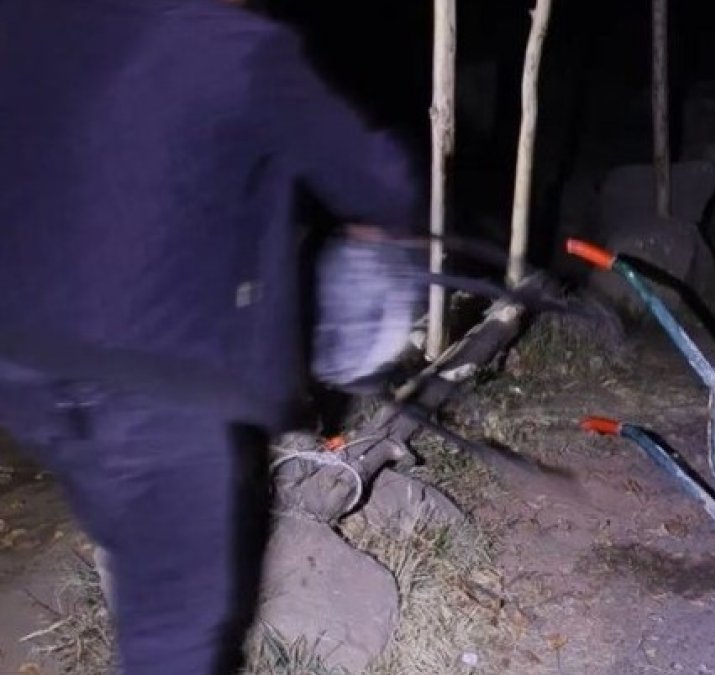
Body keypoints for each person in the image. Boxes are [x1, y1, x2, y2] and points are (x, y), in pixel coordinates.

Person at [0, 0, 424, 673]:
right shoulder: (229, 40)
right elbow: (370, 176)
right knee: (175, 629)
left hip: (26, 364)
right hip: (158, 373)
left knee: (134, 535)